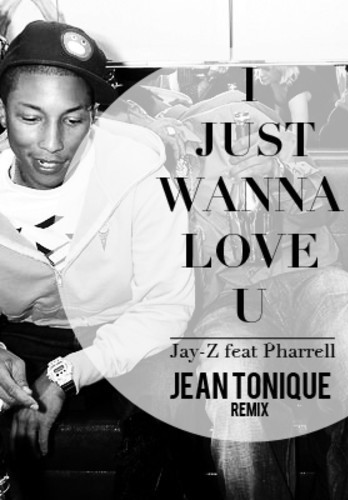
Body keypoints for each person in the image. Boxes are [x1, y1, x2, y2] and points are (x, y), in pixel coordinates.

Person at [117, 85, 348, 498]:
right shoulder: (130, 186)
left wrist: (278, 178)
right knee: (236, 402)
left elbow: (320, 205)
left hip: (314, 278)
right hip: (227, 304)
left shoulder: (241, 120)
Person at [0, 20, 194, 498]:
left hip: (123, 331)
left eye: (73, 120)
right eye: (30, 118)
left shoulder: (142, 175)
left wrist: (66, 375)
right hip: (22, 335)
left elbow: (165, 307)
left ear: (93, 114)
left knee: (166, 416)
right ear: (2, 112)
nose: (52, 143)